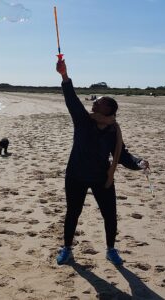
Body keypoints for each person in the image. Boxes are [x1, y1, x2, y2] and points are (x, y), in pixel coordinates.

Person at [55, 59, 150, 266]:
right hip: (76, 175)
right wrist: (64, 76)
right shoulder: (83, 120)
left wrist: (138, 162)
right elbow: (71, 100)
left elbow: (123, 155)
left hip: (102, 177)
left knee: (110, 215)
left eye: (100, 101)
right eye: (95, 100)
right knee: (73, 213)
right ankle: (67, 249)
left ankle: (110, 250)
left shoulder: (114, 131)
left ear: (110, 109)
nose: (95, 102)